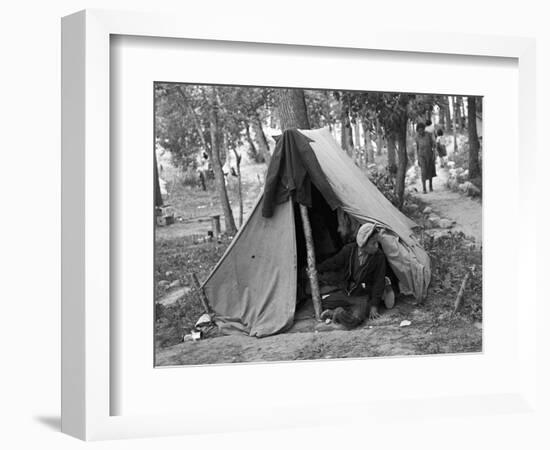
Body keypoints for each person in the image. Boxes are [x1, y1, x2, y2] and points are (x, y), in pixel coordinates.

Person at [315, 223, 395, 329]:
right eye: (373, 243)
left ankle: (338, 313)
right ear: (363, 244)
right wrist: (317, 268)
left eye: (377, 242)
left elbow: (378, 281)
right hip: (346, 293)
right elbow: (334, 262)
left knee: (355, 319)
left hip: (362, 297)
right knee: (322, 302)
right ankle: (336, 312)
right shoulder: (349, 250)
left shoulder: (378, 257)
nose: (376, 246)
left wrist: (374, 305)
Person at [415, 122, 437, 193]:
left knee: (430, 170)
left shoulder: (429, 135)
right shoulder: (417, 137)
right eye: (419, 130)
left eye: (421, 130)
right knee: (423, 171)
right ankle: (424, 188)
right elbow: (417, 148)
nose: (420, 132)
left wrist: (434, 154)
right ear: (417, 130)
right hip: (421, 156)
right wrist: (418, 158)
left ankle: (430, 186)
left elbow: (433, 145)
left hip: (429, 155)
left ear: (424, 129)